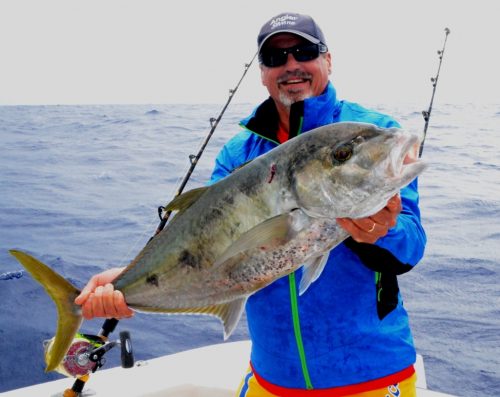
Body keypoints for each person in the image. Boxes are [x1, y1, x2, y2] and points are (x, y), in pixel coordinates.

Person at [75, 12, 426, 397]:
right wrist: (130, 280)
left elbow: (411, 247)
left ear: (327, 59)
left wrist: (383, 232)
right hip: (272, 377)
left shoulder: (370, 129)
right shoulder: (238, 152)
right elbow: (205, 246)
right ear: (263, 73)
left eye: (304, 51)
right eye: (276, 58)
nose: (291, 65)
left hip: (372, 374)